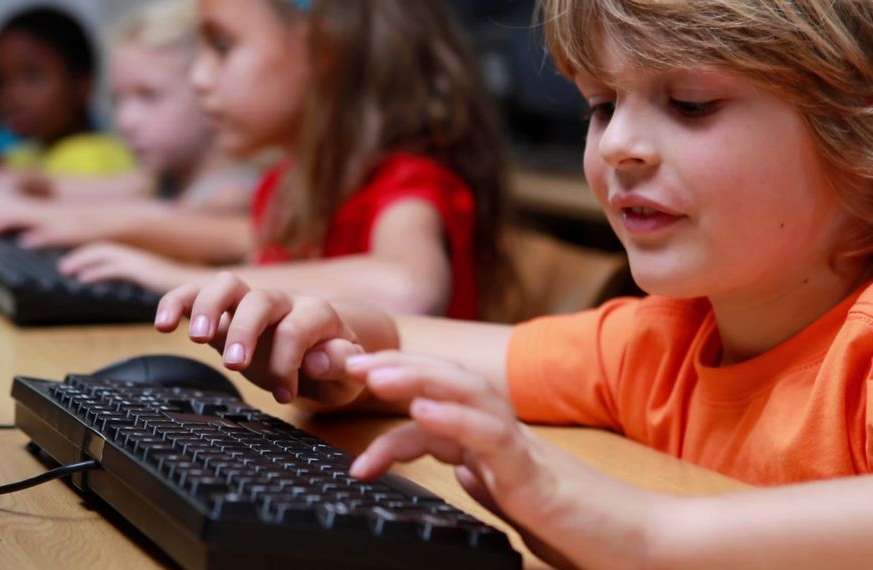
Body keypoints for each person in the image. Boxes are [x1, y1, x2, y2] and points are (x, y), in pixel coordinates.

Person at [153, 0, 873, 567]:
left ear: (856, 130)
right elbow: (398, 343)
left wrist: (642, 535)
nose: (617, 144)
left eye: (690, 103)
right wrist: (327, 347)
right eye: (601, 105)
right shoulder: (661, 340)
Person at [57, 0, 519, 321]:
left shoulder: (409, 182)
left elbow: (408, 289)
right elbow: (239, 238)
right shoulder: (292, 182)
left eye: (222, 47)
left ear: (321, 54)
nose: (198, 78)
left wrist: (182, 278)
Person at [0, 0, 259, 264]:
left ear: (208, 91)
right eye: (117, 100)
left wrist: (31, 211)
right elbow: (57, 187)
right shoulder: (160, 180)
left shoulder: (231, 193)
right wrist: (8, 184)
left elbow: (154, 219)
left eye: (148, 95)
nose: (125, 121)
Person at [0, 6, 135, 205]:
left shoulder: (96, 157)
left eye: (31, 77)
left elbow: (40, 198)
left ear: (82, 85)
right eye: (0, 81)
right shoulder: (29, 151)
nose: (10, 96)